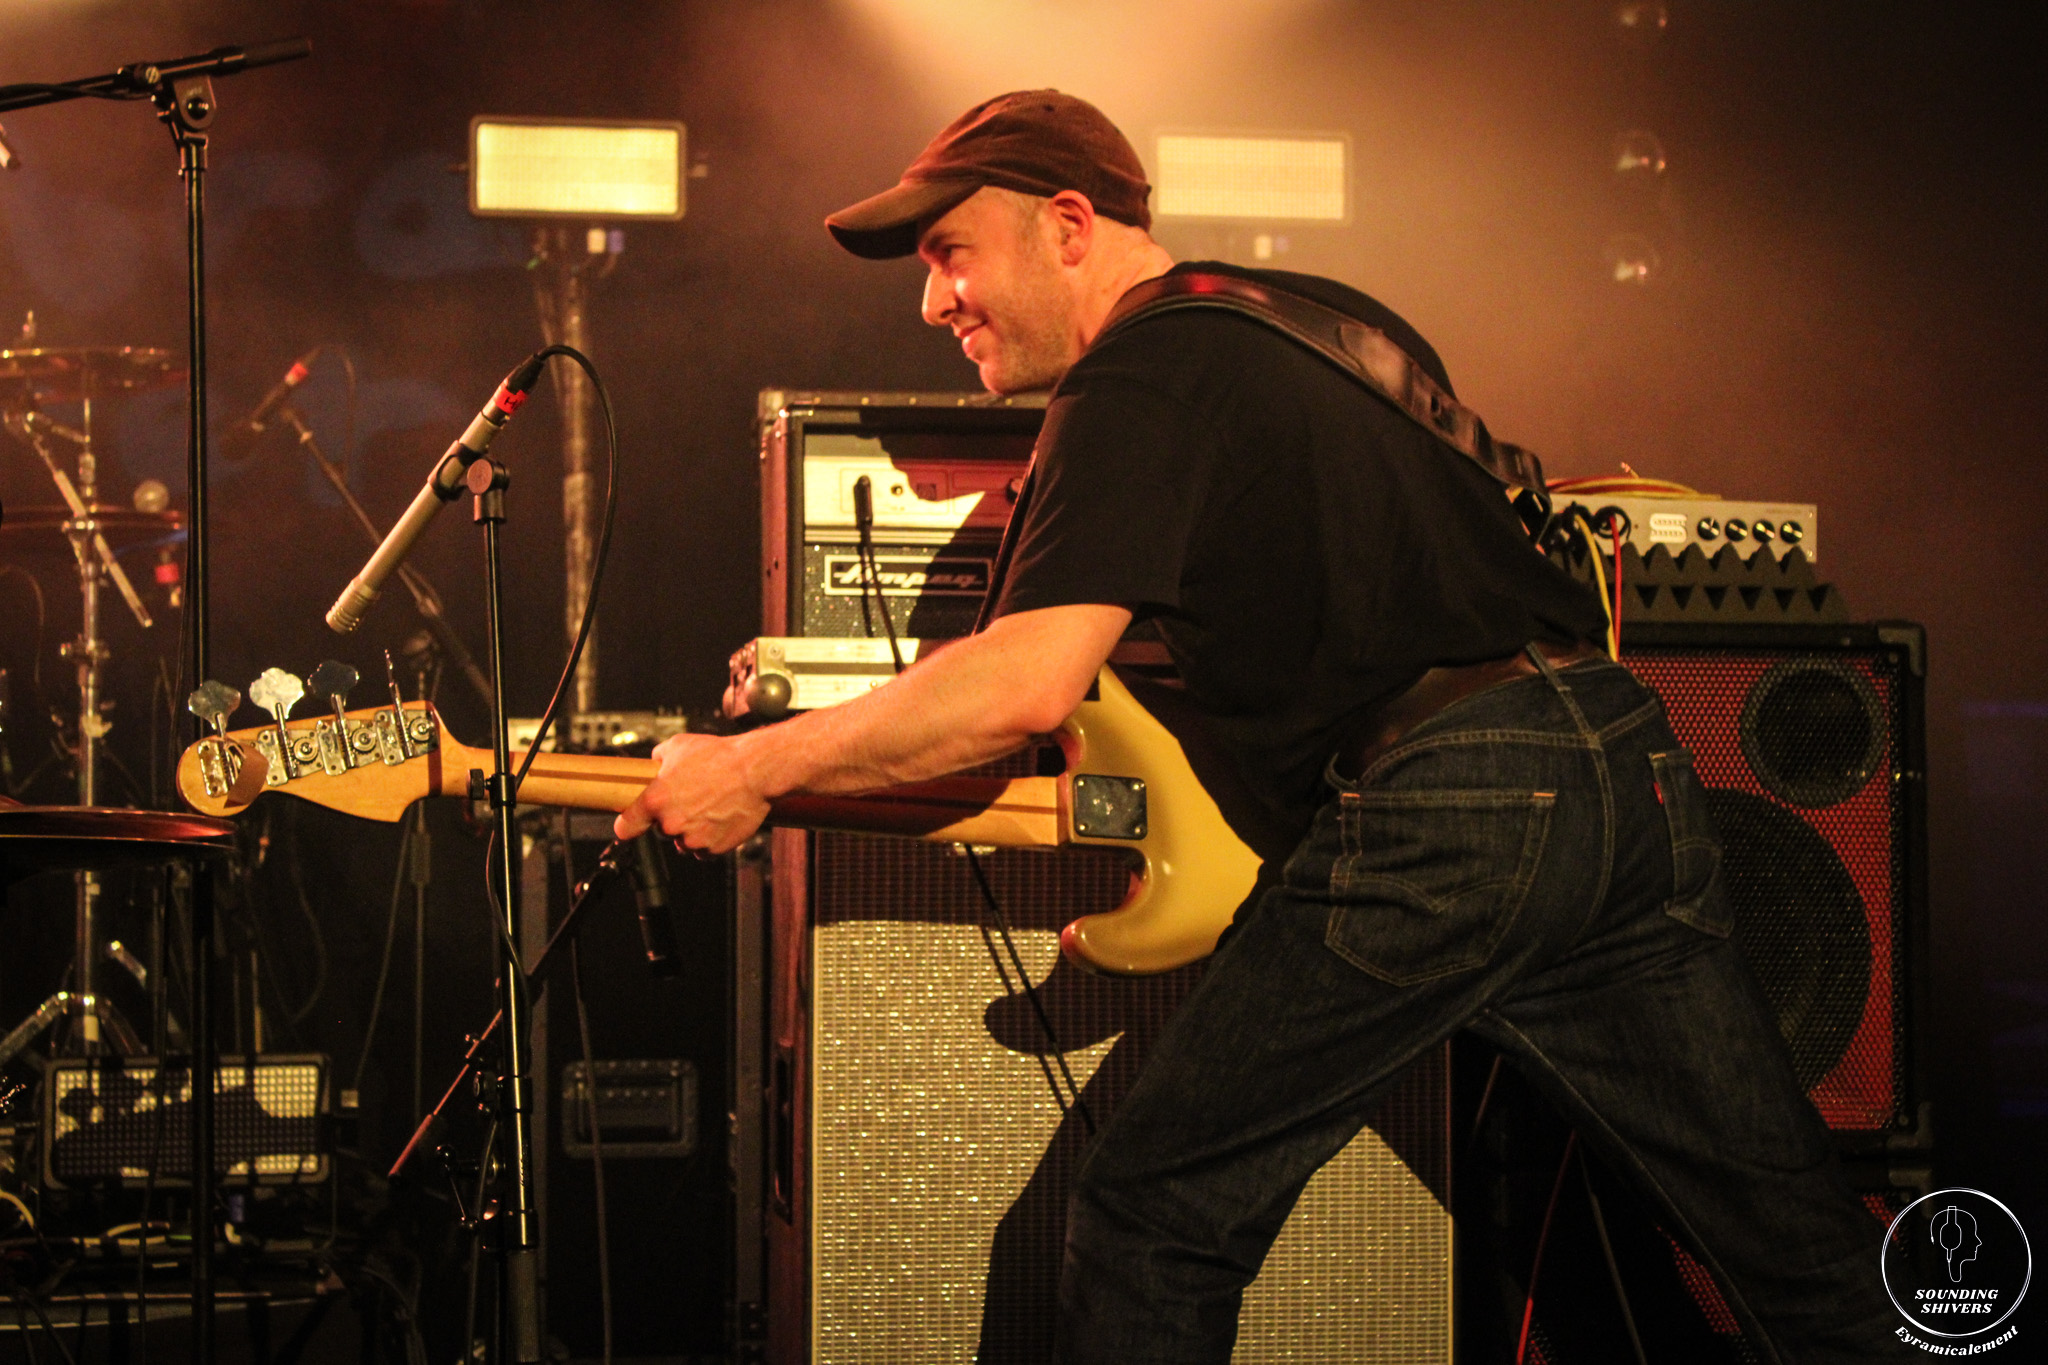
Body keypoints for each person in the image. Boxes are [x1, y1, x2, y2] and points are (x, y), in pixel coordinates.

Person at [616, 90, 1911, 1364]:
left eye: (951, 252)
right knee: (1799, 1259)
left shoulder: (1136, 373)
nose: (932, 301)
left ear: (1068, 224)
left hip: (1451, 808)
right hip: (1621, 766)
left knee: (1154, 1218)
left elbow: (1023, 684)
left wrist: (755, 764)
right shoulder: (1338, 321)